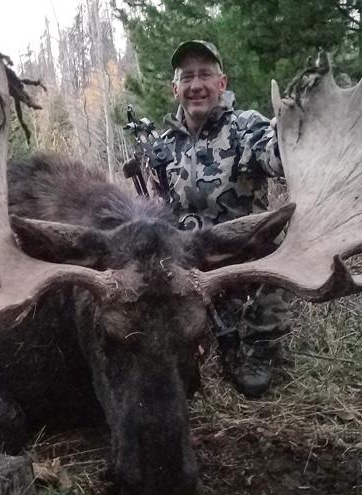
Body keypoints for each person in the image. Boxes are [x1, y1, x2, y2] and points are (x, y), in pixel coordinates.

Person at [147, 40, 290, 398]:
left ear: (221, 83)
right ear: (175, 88)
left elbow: (276, 156)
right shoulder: (164, 146)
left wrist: (288, 131)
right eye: (187, 77)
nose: (196, 85)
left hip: (244, 259)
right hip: (193, 265)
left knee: (274, 250)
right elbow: (157, 208)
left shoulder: (245, 127)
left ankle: (261, 346)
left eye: (205, 75)